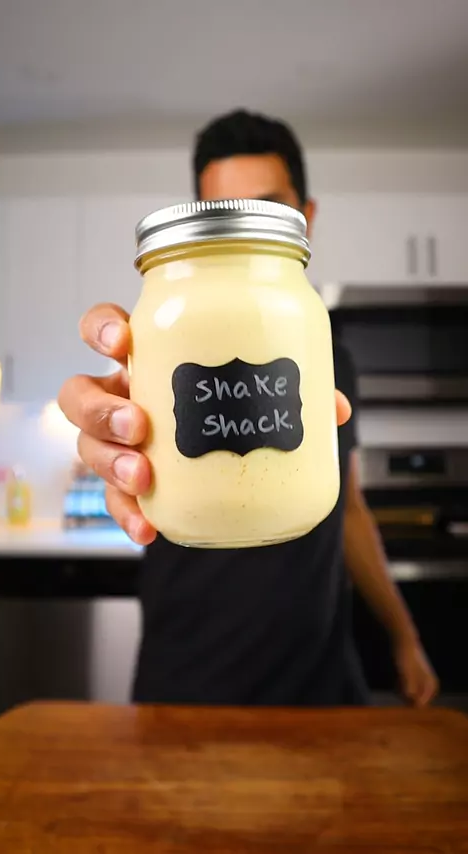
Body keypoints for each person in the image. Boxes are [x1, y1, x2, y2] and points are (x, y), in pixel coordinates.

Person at [59, 109, 438, 707]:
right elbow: (132, 433)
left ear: (304, 216)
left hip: (315, 676)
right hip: (185, 674)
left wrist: (405, 636)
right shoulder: (157, 330)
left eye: (267, 206)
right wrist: (119, 427)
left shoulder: (331, 353)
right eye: (223, 209)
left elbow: (350, 506)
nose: (242, 225)